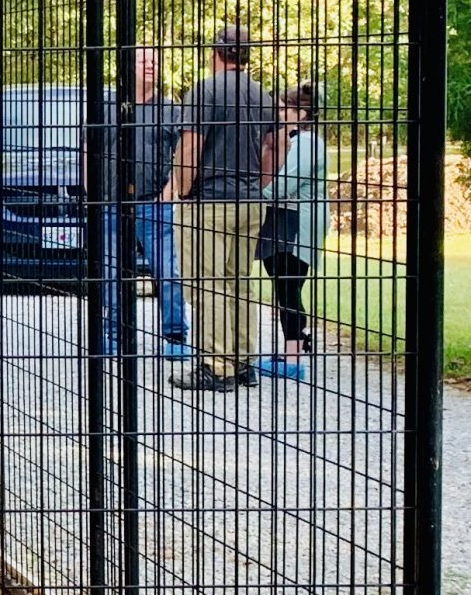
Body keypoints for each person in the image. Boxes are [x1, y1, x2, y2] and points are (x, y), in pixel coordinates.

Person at [162, 23, 279, 392]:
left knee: (206, 282)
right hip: (250, 201)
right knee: (240, 280)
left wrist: (183, 190)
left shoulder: (203, 92)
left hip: (208, 201)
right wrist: (257, 184)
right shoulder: (263, 95)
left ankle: (215, 365)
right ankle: (244, 361)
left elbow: (190, 147)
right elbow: (275, 148)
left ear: (215, 52)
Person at [99, 47, 191, 358]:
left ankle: (176, 336)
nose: (150, 65)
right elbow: (89, 150)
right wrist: (92, 193)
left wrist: (172, 188)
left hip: (155, 203)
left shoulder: (169, 109)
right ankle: (113, 336)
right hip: (111, 205)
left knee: (167, 271)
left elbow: (184, 153)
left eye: (154, 61)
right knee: (112, 273)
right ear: (128, 65)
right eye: (143, 60)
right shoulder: (107, 107)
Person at [256, 83, 326, 383]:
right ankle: (294, 345)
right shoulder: (297, 140)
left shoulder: (308, 143)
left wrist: (253, 197)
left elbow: (288, 183)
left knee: (288, 286)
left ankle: (293, 358)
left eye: (285, 108)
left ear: (302, 113)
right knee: (287, 286)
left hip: (297, 222)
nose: (279, 112)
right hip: (285, 218)